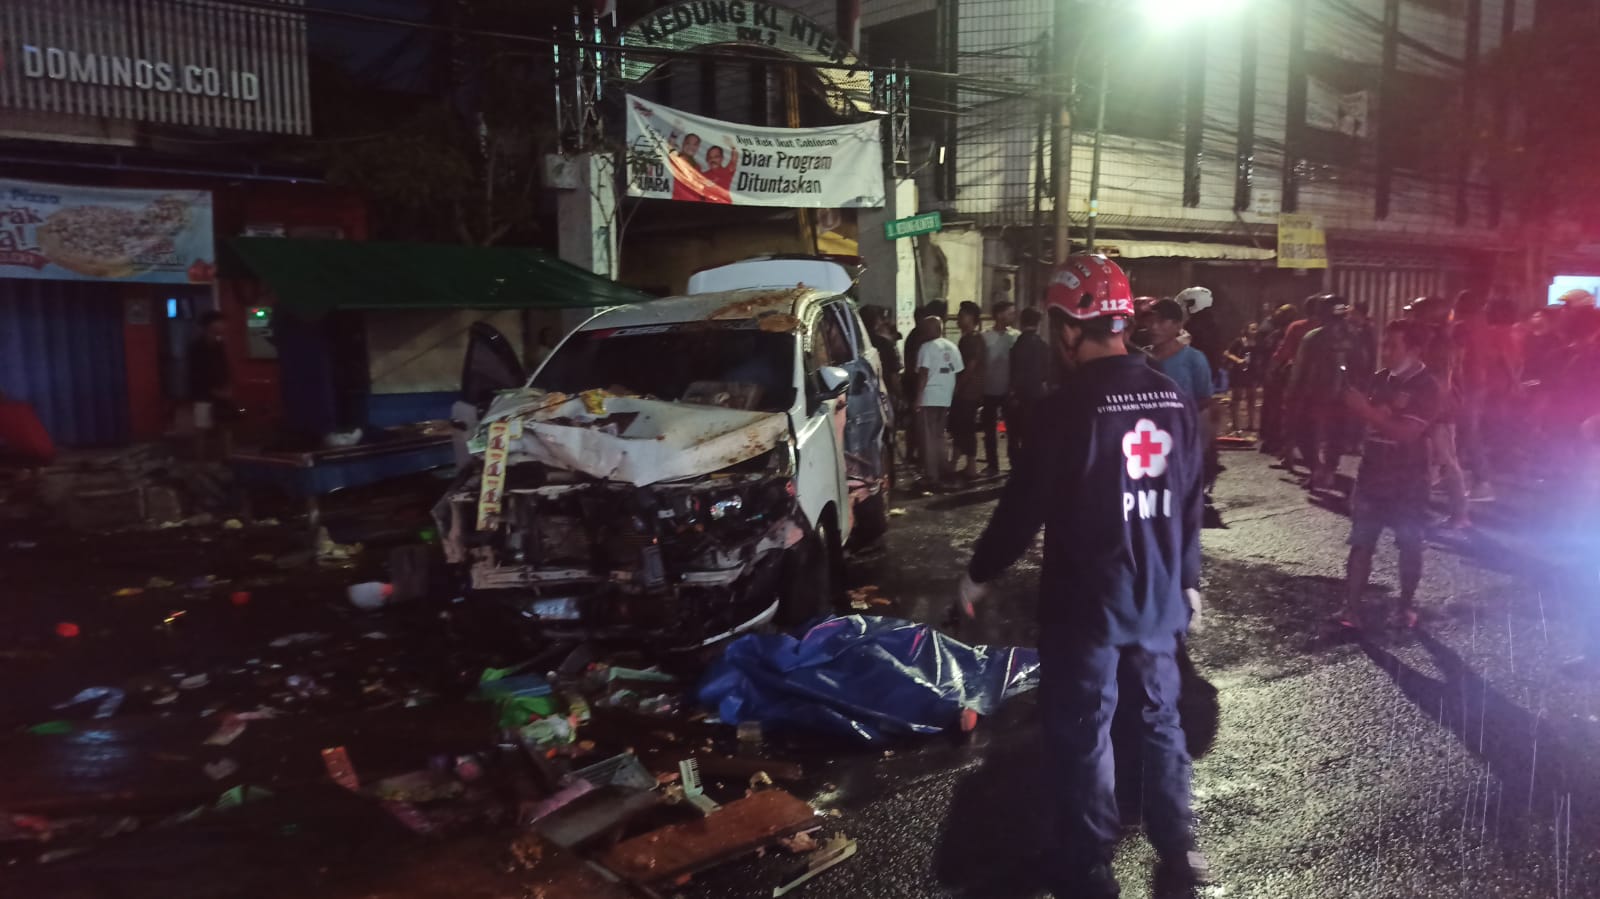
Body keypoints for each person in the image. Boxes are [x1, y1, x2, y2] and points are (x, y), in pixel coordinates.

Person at [957, 254, 1208, 899]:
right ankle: (1179, 849)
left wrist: (980, 573)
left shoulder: (1066, 409)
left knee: (1085, 727)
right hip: (1155, 598)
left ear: (1072, 327)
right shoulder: (1173, 398)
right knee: (1160, 719)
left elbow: (1024, 507)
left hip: (1087, 604)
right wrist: (1187, 579)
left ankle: (1090, 863)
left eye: (1056, 324)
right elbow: (1188, 500)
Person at [1340, 320, 1442, 630]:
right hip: (1372, 473)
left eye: (1392, 346)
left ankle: (1405, 606)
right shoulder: (1379, 379)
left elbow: (1407, 433)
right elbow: (1371, 423)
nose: (1385, 352)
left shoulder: (1427, 386)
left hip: (1408, 479)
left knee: (1409, 543)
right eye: (1384, 345)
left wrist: (1366, 411)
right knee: (1361, 543)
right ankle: (1351, 610)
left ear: (1414, 349)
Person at [1287, 295, 1370, 491]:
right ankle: (1329, 471)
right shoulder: (1354, 337)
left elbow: (1299, 370)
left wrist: (1292, 395)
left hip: (1315, 397)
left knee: (1304, 433)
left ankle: (1317, 470)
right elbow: (1362, 367)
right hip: (1343, 397)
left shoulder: (1313, 337)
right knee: (1336, 436)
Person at [1409, 295, 1470, 528]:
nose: (1412, 317)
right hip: (1433, 407)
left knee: (1447, 460)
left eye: (1417, 313)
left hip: (1438, 410)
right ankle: (1421, 508)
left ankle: (1460, 514)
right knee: (1427, 460)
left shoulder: (1440, 344)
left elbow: (1441, 382)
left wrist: (1429, 410)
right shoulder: (1433, 340)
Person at [914, 314, 963, 488]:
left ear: (932, 329)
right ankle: (944, 470)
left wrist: (918, 398)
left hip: (929, 398)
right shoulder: (952, 347)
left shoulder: (926, 348)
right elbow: (957, 372)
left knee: (928, 438)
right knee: (939, 436)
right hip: (945, 398)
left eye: (925, 328)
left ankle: (931, 475)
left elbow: (923, 374)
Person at [189, 310, 235, 462]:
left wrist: (227, 388)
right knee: (201, 428)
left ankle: (227, 458)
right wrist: (213, 390)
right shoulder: (197, 347)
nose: (223, 325)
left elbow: (224, 368)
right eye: (219, 322)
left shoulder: (219, 345)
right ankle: (200, 462)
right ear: (209, 325)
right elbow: (195, 373)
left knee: (225, 427)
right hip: (203, 394)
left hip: (221, 393)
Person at [950, 302, 988, 481]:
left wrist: (957, 387)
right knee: (960, 426)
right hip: (970, 390)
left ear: (972, 318)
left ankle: (971, 466)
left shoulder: (971, 339)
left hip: (967, 391)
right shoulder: (972, 338)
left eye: (962, 315)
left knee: (965, 427)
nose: (958, 318)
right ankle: (955, 462)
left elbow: (970, 366)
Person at [980, 300, 1018, 474]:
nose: (1013, 316)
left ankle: (1014, 463)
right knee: (989, 430)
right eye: (1010, 313)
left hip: (1009, 390)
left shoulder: (1016, 336)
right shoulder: (985, 336)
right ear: (999, 315)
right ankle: (992, 465)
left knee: (1013, 429)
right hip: (989, 389)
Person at [1008, 306, 1050, 460]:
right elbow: (1047, 371)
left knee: (1016, 431)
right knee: (1035, 430)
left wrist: (1013, 392)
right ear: (1038, 324)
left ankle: (1018, 464)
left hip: (1020, 394)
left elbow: (1016, 370)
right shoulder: (1043, 345)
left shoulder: (1018, 344)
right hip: (1038, 393)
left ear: (1021, 322)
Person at [1257, 304, 1299, 454]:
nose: (1277, 313)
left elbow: (1281, 353)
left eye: (1281, 312)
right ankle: (1272, 439)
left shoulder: (1290, 332)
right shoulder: (1273, 330)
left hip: (1281, 375)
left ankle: (1277, 441)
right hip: (1275, 374)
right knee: (1271, 407)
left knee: (1278, 409)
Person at [1224, 322, 1261, 433]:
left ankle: (1250, 424)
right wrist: (1238, 360)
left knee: (1251, 398)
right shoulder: (1239, 341)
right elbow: (1227, 353)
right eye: (1252, 329)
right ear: (1246, 330)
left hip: (1252, 372)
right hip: (1238, 372)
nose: (1255, 331)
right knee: (1236, 398)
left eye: (1256, 329)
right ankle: (1235, 424)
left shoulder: (1258, 343)